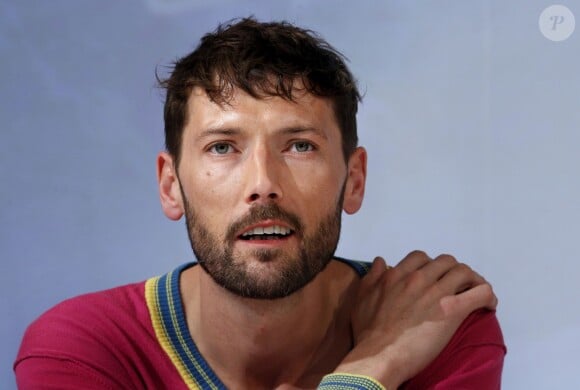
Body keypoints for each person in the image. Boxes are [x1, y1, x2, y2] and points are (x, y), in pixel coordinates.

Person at [14, 18, 505, 389]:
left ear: (354, 180)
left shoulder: (437, 322)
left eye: (300, 146)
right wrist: (371, 366)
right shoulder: (82, 349)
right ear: (170, 186)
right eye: (223, 147)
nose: (263, 184)